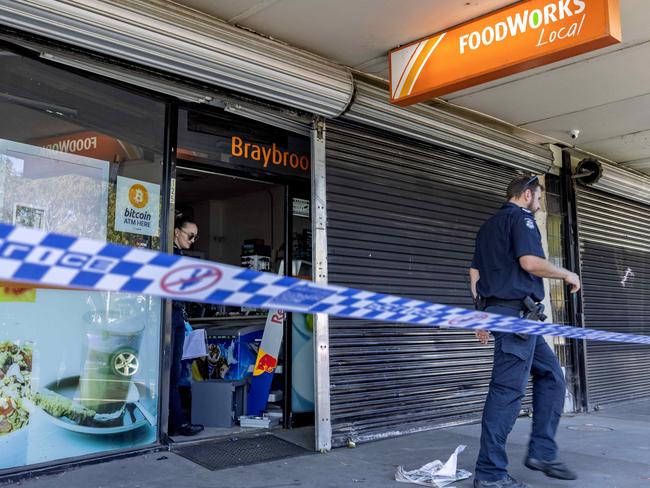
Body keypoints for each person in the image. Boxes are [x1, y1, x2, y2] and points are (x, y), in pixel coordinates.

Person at [469, 175, 581, 488]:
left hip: (512, 317)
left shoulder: (488, 227)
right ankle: (490, 474)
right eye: (540, 199)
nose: (540, 205)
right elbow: (530, 263)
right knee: (506, 393)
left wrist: (482, 315)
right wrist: (568, 273)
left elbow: (475, 272)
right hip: (516, 317)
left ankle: (542, 452)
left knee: (552, 377)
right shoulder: (522, 219)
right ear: (527, 194)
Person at [169, 215, 204, 437]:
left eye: (195, 237)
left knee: (175, 373)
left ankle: (176, 421)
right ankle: (177, 423)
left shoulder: (179, 255)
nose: (192, 240)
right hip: (169, 318)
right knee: (170, 374)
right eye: (190, 236)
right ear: (176, 232)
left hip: (177, 317)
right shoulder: (167, 254)